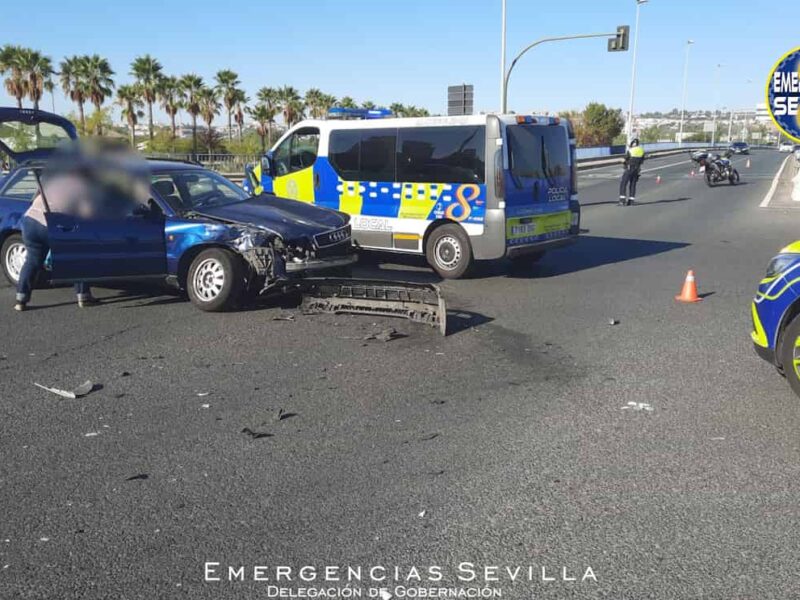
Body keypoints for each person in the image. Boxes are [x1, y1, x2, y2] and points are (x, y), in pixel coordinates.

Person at [14, 170, 98, 312]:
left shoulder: (51, 180)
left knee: (32, 262)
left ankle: (20, 300)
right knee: (77, 258)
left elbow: (34, 198)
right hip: (51, 223)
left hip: (30, 221)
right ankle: (83, 296)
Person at [618, 138, 646, 206]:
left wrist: (621, 160)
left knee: (623, 183)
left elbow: (625, 159)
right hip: (637, 169)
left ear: (632, 144)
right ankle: (631, 201)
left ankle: (622, 200)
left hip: (629, 168)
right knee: (633, 185)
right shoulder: (642, 150)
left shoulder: (630, 150)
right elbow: (642, 161)